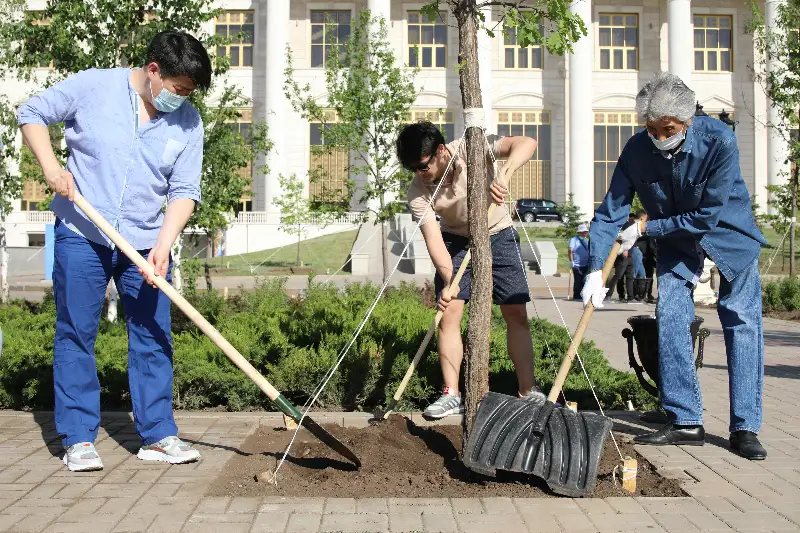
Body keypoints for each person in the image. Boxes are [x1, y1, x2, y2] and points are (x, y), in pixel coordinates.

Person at [18, 31, 212, 471]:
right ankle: (79, 438)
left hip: (144, 241)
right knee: (76, 333)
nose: (181, 100)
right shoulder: (94, 87)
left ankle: (158, 434)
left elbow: (184, 190)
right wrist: (51, 168)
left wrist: (163, 245)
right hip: (83, 232)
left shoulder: (188, 122)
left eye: (189, 94)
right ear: (154, 71)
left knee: (152, 334)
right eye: (178, 90)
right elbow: (31, 111)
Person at [581, 72, 767, 460]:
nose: (659, 135)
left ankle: (745, 427)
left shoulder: (719, 140)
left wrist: (648, 227)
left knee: (742, 322)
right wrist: (594, 269)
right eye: (651, 128)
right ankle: (686, 420)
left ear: (688, 121)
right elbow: (610, 212)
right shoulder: (635, 151)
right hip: (677, 244)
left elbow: (708, 216)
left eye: (668, 128)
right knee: (669, 313)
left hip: (729, 234)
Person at [396, 121, 547, 420]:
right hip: (454, 240)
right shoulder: (417, 192)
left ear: (440, 151)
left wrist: (505, 172)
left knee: (515, 312)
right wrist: (449, 279)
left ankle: (528, 390)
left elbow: (527, 143)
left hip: (499, 233)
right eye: (411, 168)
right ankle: (452, 394)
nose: (418, 173)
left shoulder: (471, 147)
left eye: (422, 165)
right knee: (449, 311)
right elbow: (434, 240)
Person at [568, 223, 590, 300]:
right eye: (583, 231)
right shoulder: (574, 240)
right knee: (578, 281)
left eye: (586, 231)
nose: (585, 233)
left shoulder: (586, 241)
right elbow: (570, 250)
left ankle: (583, 295)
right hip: (577, 264)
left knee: (585, 281)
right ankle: (577, 296)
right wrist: (571, 261)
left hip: (586, 264)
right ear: (579, 232)